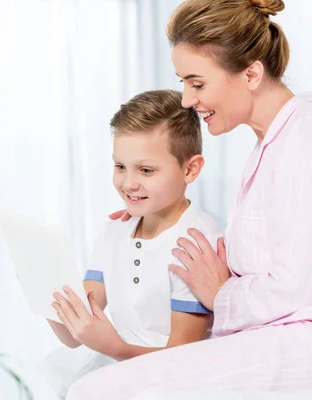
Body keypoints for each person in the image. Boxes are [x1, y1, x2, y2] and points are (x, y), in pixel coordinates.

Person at [65, 0, 312, 399]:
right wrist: (151, 211)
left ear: (251, 74)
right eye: (184, 84)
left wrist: (221, 293)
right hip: (286, 336)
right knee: (92, 384)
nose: (188, 101)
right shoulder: (271, 148)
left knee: (100, 392)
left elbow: (294, 289)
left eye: (197, 83)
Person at [43, 89, 223, 395]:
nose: (128, 183)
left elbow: (184, 361)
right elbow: (75, 335)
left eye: (146, 170)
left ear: (190, 169)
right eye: (120, 166)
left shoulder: (194, 244)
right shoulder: (114, 232)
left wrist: (118, 349)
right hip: (120, 373)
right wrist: (43, 290)